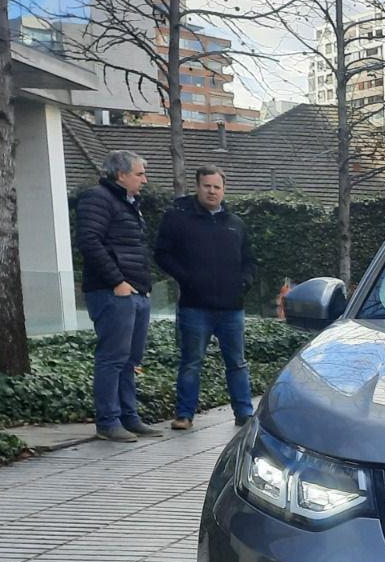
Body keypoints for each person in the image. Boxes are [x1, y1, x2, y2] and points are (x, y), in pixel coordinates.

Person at [154, 165, 257, 430]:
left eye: (217, 187)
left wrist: (245, 282)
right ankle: (184, 415)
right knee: (191, 362)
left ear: (224, 190)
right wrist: (186, 278)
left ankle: (244, 413)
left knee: (237, 362)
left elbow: (250, 261)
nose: (212, 191)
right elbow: (162, 254)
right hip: (194, 306)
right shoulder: (180, 220)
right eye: (207, 186)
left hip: (231, 308)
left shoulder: (236, 224)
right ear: (197, 187)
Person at [77, 150, 158, 442]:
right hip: (113, 292)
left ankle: (129, 417)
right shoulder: (97, 198)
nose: (144, 180)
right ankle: (108, 421)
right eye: (140, 174)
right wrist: (117, 282)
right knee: (112, 358)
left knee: (129, 359)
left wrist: (141, 286)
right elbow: (89, 241)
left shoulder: (129, 203)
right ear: (120, 174)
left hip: (136, 291)